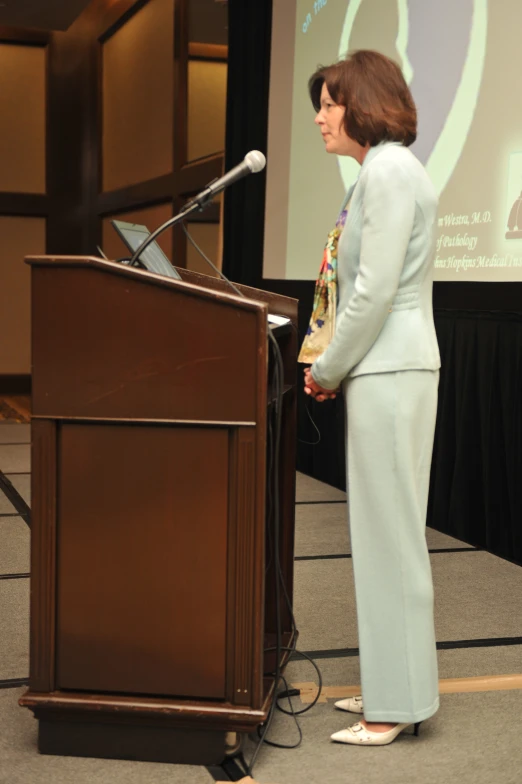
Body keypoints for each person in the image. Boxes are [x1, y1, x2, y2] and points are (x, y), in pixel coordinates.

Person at [303, 50, 441, 746]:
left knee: (389, 541)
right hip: (388, 370)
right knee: (388, 537)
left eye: (328, 102)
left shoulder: (386, 172)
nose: (320, 117)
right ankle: (393, 682)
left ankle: (394, 706)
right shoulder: (379, 174)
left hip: (389, 370)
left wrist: (326, 368)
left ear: (361, 102)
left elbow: (372, 292)